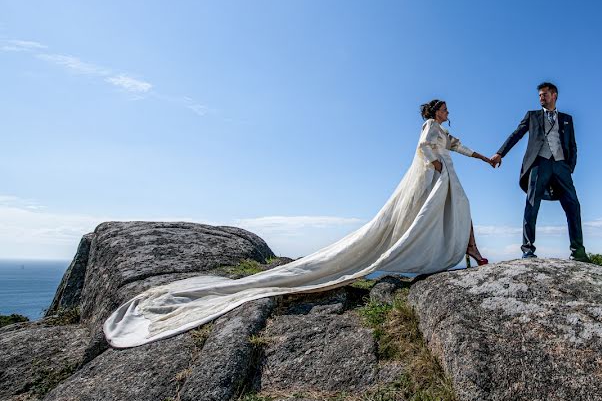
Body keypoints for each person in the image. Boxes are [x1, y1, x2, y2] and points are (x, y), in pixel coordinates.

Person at [104, 99, 492, 348]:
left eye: (444, 111)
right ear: (433, 112)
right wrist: (435, 161)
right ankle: (468, 249)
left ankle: (469, 248)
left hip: (445, 175)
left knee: (459, 210)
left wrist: (487, 158)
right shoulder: (429, 128)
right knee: (442, 214)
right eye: (442, 109)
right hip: (435, 175)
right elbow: (424, 147)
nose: (445, 112)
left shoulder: (445, 132)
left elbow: (460, 147)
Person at [490, 82, 589, 262]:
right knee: (531, 205)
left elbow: (572, 145)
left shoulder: (567, 118)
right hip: (539, 164)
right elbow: (516, 134)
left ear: (554, 95)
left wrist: (569, 167)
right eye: (540, 95)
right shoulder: (532, 116)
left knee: (573, 205)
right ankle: (528, 250)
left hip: (561, 166)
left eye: (544, 94)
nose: (541, 98)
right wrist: (500, 153)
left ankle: (578, 252)